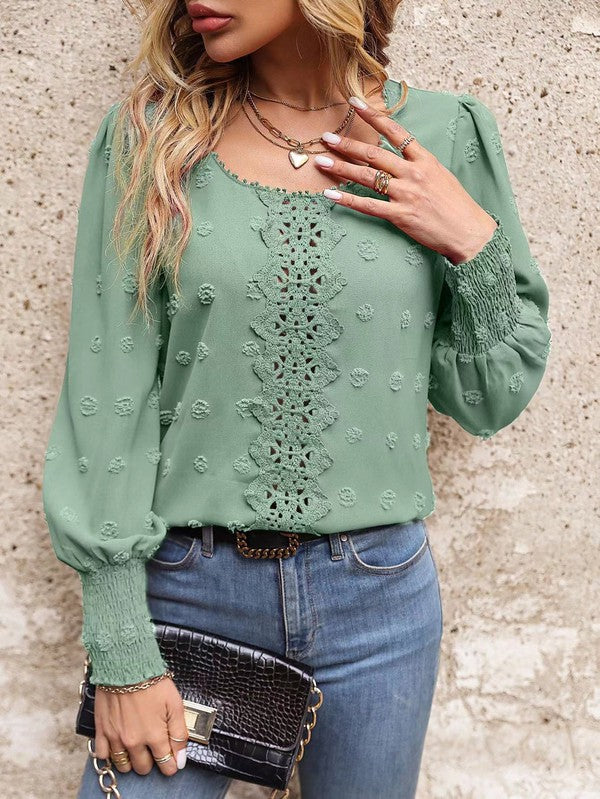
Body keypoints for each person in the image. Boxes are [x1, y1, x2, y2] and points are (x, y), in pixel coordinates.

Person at [41, 0, 552, 796]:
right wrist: (120, 648)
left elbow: (490, 395)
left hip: (379, 604)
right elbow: (108, 395)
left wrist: (470, 238)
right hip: (184, 596)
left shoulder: (446, 136)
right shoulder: (152, 137)